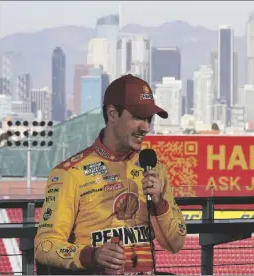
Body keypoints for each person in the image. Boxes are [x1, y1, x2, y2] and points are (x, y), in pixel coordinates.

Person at [34, 74, 187, 275]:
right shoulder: (69, 174)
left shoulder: (154, 168)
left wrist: (159, 203)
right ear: (113, 114)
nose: (146, 127)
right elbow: (44, 246)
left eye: (148, 119)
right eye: (138, 117)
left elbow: (175, 244)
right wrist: (93, 255)